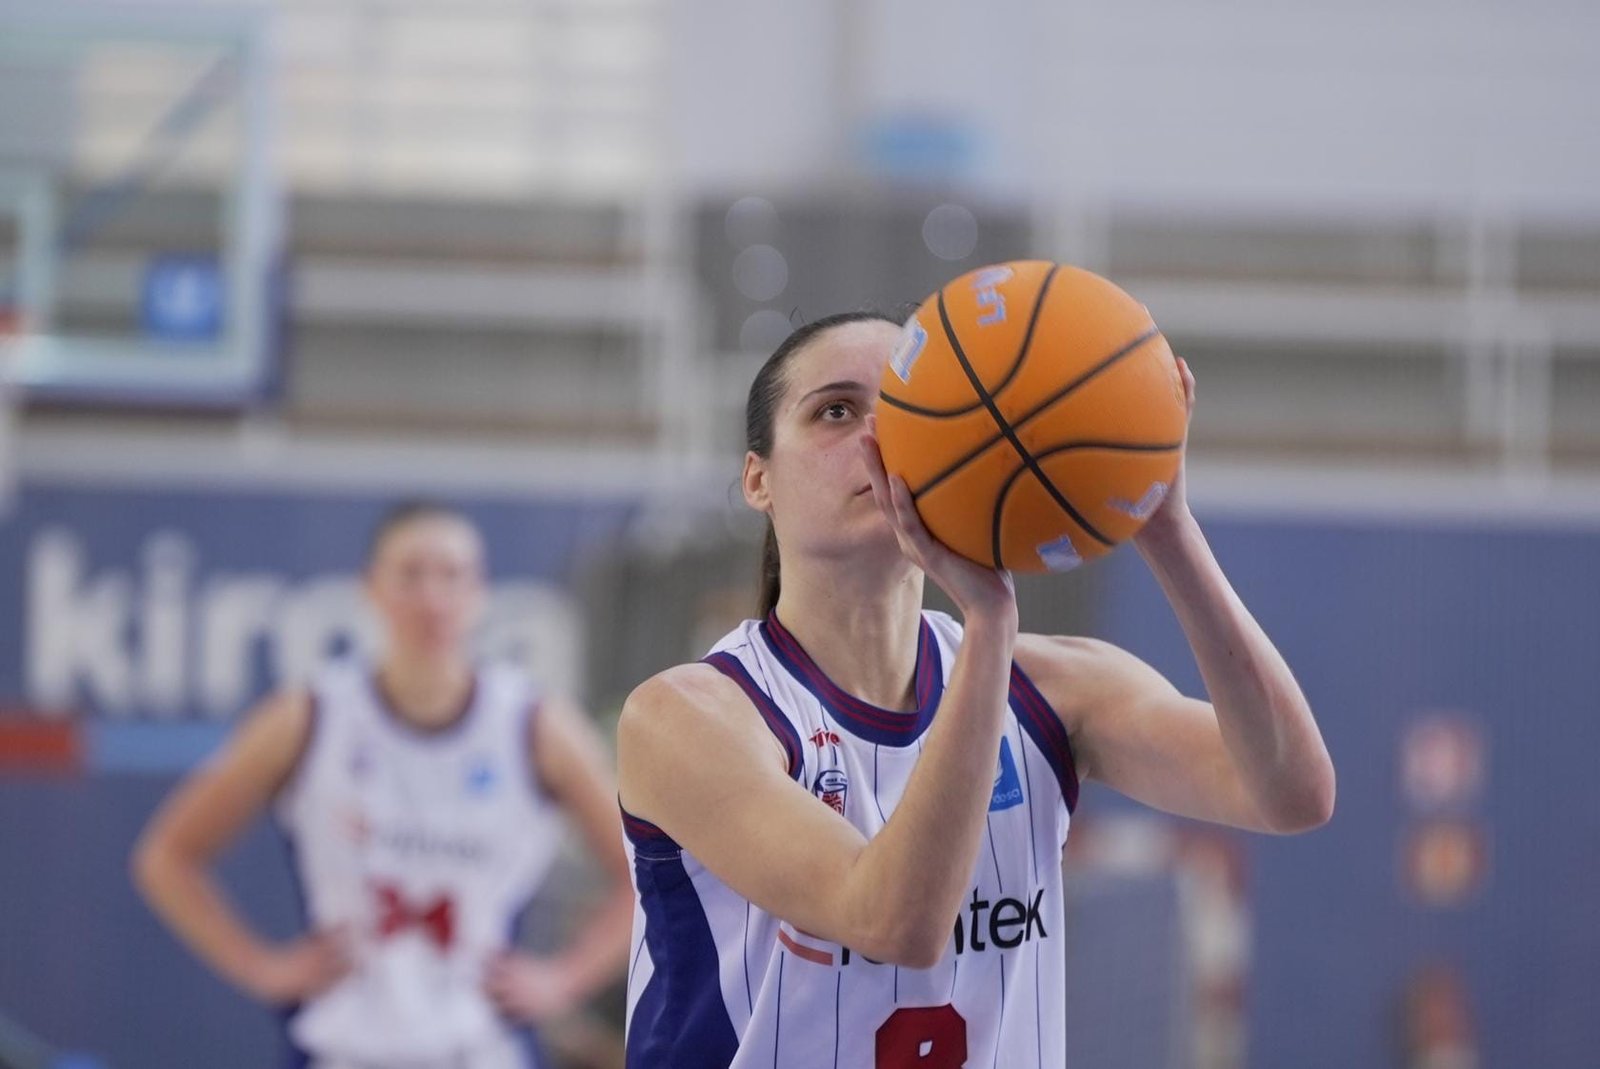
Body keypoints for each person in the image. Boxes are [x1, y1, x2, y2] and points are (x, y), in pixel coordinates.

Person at [615, 311, 1336, 1067]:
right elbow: (895, 920)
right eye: (835, 410)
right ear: (758, 479)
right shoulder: (688, 716)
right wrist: (989, 622)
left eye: (900, 411)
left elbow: (1292, 793)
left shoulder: (1056, 687)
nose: (875, 440)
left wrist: (1168, 528)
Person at [134, 502, 633, 1069]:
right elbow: (168, 855)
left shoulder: (534, 723)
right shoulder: (309, 715)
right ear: (371, 589)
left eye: (451, 575)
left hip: (482, 1046)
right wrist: (263, 968)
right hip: (340, 1045)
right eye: (412, 574)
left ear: (480, 593)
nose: (432, 597)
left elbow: (643, 872)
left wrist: (563, 979)